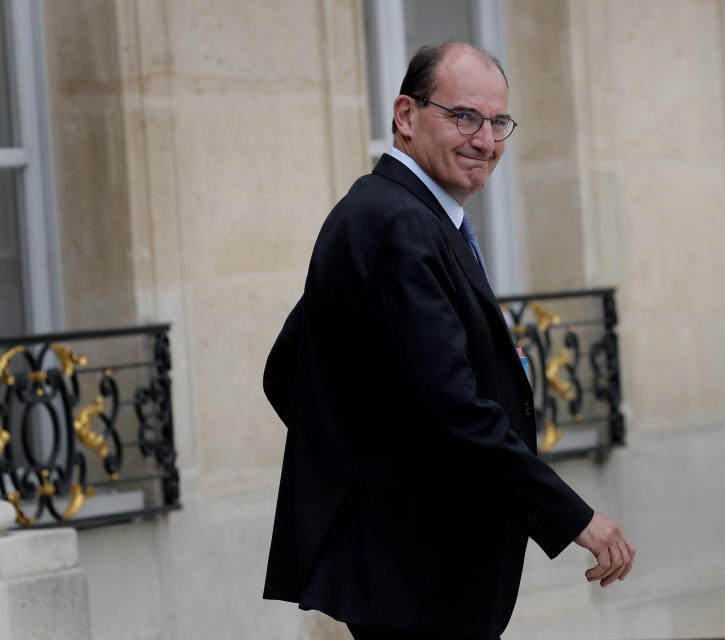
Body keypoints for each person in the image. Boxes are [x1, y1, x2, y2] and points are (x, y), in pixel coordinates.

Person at [262, 42, 635, 640]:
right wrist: (577, 520)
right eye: (463, 116)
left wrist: (370, 467)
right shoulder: (400, 225)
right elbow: (453, 409)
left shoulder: (390, 212)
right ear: (406, 116)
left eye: (497, 123)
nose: (485, 140)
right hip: (421, 571)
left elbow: (287, 372)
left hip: (409, 571)